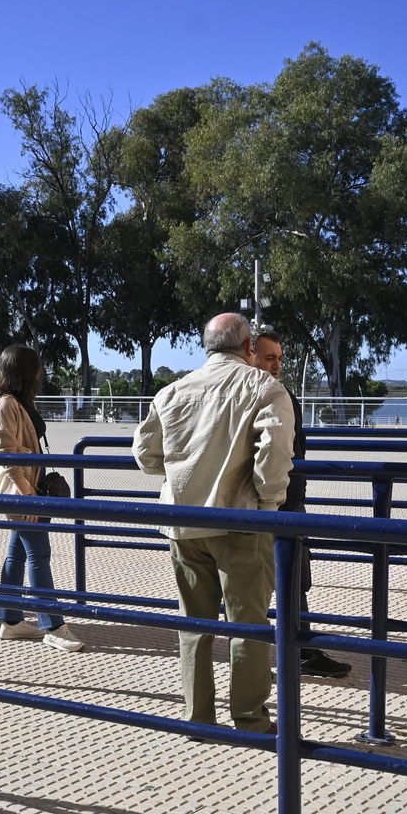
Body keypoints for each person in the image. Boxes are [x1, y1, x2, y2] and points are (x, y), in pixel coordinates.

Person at [133, 313, 295, 734]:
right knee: (248, 625)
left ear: (206, 348)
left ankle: (197, 715)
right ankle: (250, 719)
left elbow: (145, 455)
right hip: (240, 521)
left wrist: (181, 475)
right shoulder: (264, 388)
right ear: (248, 348)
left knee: (193, 623)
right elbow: (274, 456)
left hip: (182, 522)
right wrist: (268, 501)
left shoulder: (171, 392)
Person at [250, 324, 350, 678]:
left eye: (279, 358)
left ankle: (301, 650)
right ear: (250, 355)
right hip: (276, 505)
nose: (276, 364)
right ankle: (291, 652)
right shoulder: (264, 395)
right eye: (268, 357)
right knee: (279, 581)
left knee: (293, 581)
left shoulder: (278, 393)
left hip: (285, 501)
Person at [0, 345, 84, 652]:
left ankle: (11, 620)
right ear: (24, 371)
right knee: (39, 555)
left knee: (18, 555)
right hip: (23, 491)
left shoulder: (21, 402)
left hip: (29, 487)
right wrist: (27, 493)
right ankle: (52, 626)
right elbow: (4, 450)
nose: (40, 372)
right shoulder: (6, 405)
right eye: (36, 367)